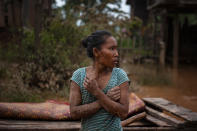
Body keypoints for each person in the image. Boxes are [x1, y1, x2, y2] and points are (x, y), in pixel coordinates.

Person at [69, 30, 130, 131]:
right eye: (111, 49)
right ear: (96, 52)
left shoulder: (120, 75)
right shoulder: (79, 76)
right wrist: (105, 98)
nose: (116, 54)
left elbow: (123, 113)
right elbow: (74, 113)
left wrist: (97, 92)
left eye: (116, 49)